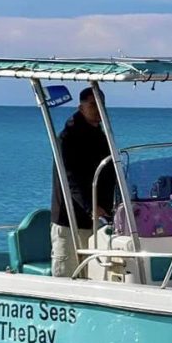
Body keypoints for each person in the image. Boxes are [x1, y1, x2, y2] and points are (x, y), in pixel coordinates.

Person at [50, 87, 116, 277]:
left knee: (96, 273)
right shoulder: (67, 137)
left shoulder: (103, 137)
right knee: (68, 273)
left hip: (97, 220)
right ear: (81, 107)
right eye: (92, 104)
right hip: (69, 220)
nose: (98, 109)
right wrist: (90, 207)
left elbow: (110, 173)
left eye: (101, 104)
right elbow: (70, 179)